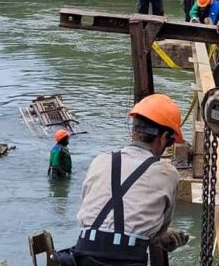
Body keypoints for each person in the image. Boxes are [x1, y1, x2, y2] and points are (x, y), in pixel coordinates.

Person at [54, 94, 189, 265]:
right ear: (163, 138)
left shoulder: (100, 160)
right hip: (128, 259)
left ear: (134, 132)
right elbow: (159, 231)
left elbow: (88, 209)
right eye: (169, 143)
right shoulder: (168, 172)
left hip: (83, 255)